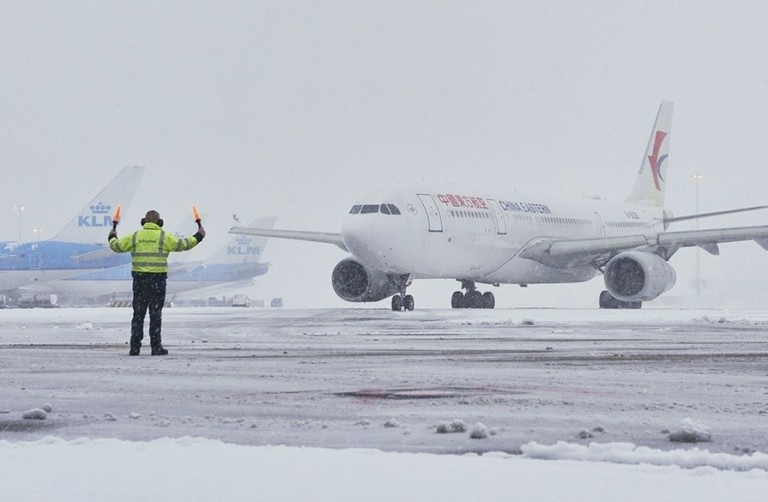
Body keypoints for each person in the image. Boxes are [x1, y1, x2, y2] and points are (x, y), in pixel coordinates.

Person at [108, 210, 205, 356]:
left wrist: (112, 236)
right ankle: (156, 346)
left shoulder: (135, 236)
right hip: (157, 281)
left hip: (140, 280)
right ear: (159, 222)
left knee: (138, 315)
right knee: (155, 314)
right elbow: (185, 244)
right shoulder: (165, 237)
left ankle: (134, 347)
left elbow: (116, 247)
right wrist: (199, 235)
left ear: (144, 222)